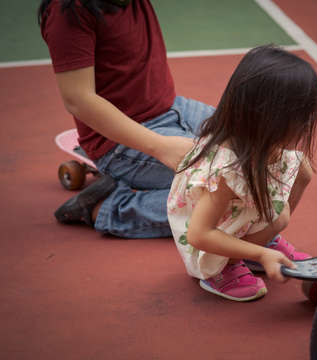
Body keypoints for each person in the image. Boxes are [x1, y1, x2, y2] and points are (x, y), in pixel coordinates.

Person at [38, 0, 214, 238]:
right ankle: (110, 209)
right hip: (120, 142)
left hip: (174, 108)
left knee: (258, 150)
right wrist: (160, 147)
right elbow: (77, 99)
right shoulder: (69, 11)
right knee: (229, 192)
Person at [167, 45, 317, 301]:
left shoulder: (266, 144)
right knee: (279, 216)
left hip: (238, 215)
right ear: (268, 118)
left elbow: (299, 175)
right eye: (300, 119)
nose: (307, 126)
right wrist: (260, 254)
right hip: (206, 243)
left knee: (302, 170)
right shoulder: (226, 170)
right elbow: (198, 234)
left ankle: (261, 240)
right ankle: (224, 267)